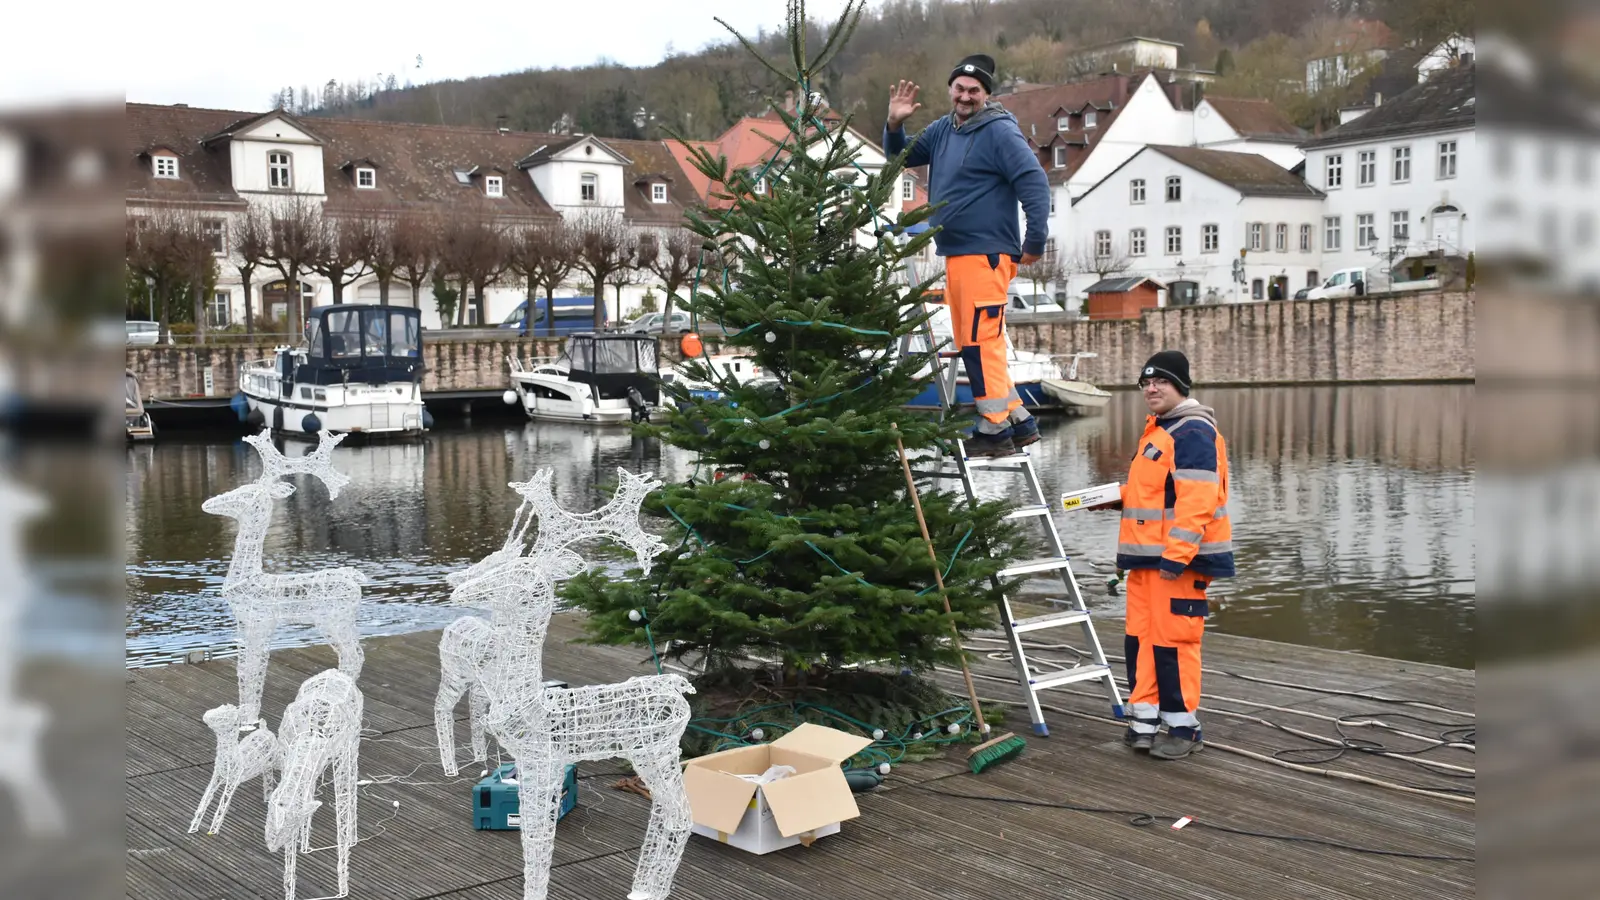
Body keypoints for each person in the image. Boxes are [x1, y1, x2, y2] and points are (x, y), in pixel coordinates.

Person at [883, 54, 1051, 457]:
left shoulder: (999, 133)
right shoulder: (943, 130)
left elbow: (1035, 182)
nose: (965, 96)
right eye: (959, 88)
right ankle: (1018, 420)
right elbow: (900, 156)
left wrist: (1035, 242)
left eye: (974, 90)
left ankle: (993, 430)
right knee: (973, 341)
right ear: (950, 91)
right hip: (957, 253)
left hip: (986, 253)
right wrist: (894, 124)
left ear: (987, 95)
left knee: (980, 343)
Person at [1115, 350, 1234, 760]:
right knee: (1141, 641)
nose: (1150, 388)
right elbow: (1157, 495)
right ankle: (1144, 721)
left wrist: (1177, 556)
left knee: (1174, 643)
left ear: (1180, 386)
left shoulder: (1192, 431)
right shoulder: (1159, 431)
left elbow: (1198, 500)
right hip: (1146, 560)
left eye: (1160, 381)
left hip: (1175, 563)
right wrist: (1114, 499)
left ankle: (1183, 728)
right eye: (1145, 382)